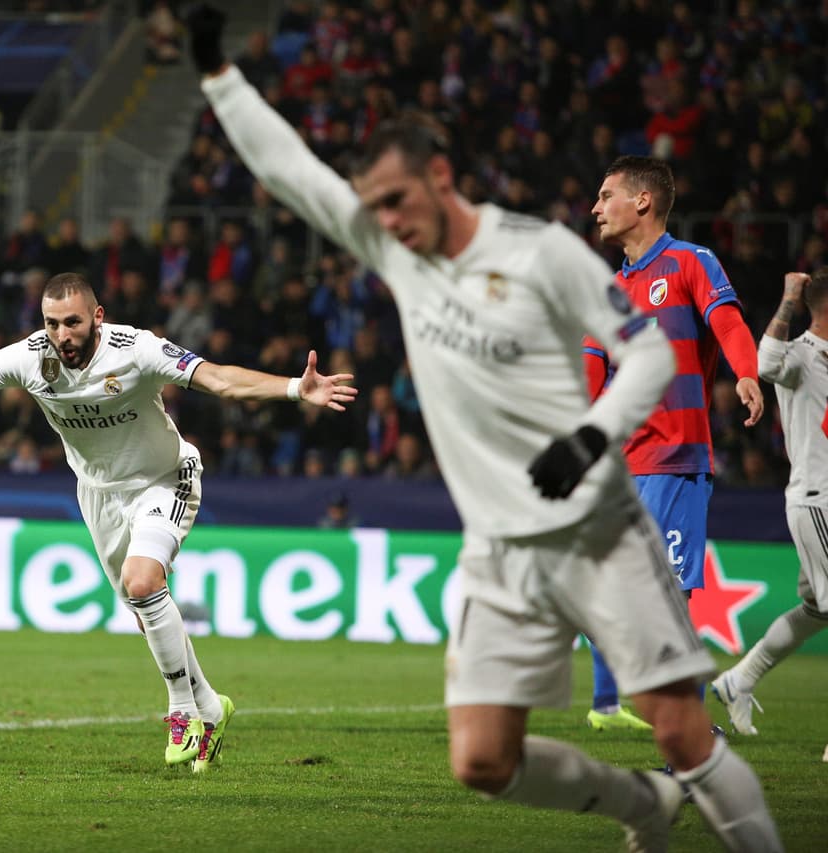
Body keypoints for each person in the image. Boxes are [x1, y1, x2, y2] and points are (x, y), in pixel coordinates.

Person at [184, 7, 783, 851]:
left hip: (598, 523)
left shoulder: (541, 252)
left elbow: (646, 359)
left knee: (680, 726)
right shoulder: (397, 249)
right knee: (482, 759)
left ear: (439, 175)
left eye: (396, 200)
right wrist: (218, 73)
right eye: (373, 209)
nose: (383, 222)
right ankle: (641, 803)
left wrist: (589, 437)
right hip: (499, 544)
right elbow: (292, 172)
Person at [0, 272, 357, 773]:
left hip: (165, 478)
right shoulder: (29, 358)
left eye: (72, 322)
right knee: (143, 610)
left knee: (143, 582)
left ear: (97, 317)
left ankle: (182, 710)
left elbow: (220, 380)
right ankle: (209, 705)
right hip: (98, 495)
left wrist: (294, 388)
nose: (62, 334)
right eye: (52, 324)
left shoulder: (137, 349)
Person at [584, 155, 763, 731]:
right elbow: (591, 373)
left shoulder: (691, 262)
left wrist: (747, 372)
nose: (595, 207)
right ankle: (653, 714)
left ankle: (689, 734)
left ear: (642, 202)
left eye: (606, 194)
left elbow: (729, 323)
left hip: (674, 457)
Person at [712, 270, 828, 735]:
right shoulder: (800, 354)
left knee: (818, 609)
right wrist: (788, 295)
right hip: (818, 500)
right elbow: (764, 362)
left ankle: (740, 679)